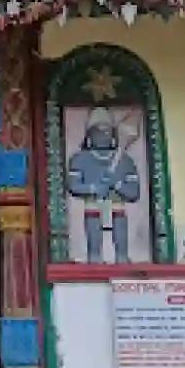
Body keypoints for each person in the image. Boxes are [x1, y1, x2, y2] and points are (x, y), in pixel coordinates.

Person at [65, 107, 141, 263]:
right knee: (93, 217)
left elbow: (134, 192)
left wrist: (118, 184)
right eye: (98, 132)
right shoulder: (80, 159)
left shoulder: (125, 161)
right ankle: (94, 255)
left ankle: (121, 255)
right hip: (93, 202)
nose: (103, 136)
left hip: (116, 202)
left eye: (106, 132)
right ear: (89, 136)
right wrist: (93, 188)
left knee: (119, 218)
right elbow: (73, 186)